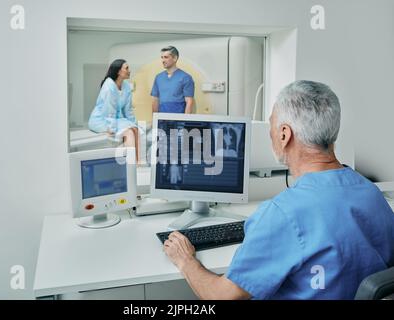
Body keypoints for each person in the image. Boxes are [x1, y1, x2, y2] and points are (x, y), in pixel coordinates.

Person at [162, 80, 394, 299]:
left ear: (284, 134)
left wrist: (186, 261)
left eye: (271, 125)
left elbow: (222, 295)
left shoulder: (282, 213)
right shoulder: (371, 193)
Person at [88, 59, 141, 162]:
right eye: (126, 68)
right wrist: (111, 129)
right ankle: (130, 166)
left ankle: (137, 164)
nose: (129, 70)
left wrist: (134, 124)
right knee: (129, 133)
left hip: (116, 118)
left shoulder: (126, 86)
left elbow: (128, 109)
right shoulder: (109, 86)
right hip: (102, 119)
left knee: (135, 130)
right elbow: (109, 111)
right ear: (118, 71)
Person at [151, 46, 195, 114]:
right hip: (162, 120)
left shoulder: (186, 77)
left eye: (166, 57)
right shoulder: (158, 77)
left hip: (179, 120)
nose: (163, 60)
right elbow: (155, 100)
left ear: (175, 58)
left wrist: (185, 121)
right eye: (162, 57)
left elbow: (189, 102)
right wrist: (155, 120)